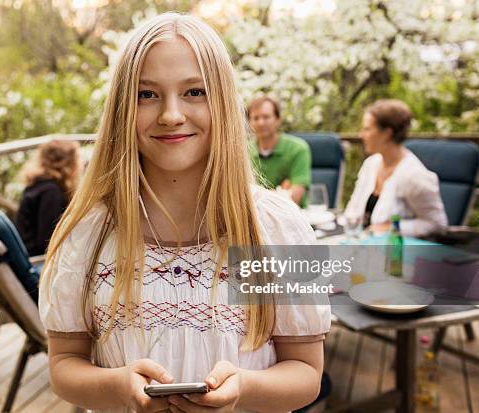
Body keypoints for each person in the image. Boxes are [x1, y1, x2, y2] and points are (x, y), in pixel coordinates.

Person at [39, 12, 330, 413]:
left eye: (195, 92)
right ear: (122, 108)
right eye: (147, 94)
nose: (171, 114)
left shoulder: (276, 227)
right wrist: (115, 385)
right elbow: (63, 365)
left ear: (223, 103)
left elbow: (307, 372)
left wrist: (243, 388)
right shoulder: (89, 231)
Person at [344, 99, 447, 237]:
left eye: (367, 129)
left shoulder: (413, 175)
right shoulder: (371, 164)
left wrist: (392, 227)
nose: (361, 135)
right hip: (361, 247)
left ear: (387, 133)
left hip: (395, 254)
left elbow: (437, 225)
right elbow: (353, 210)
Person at [15, 139, 83, 256]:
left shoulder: (38, 185)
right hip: (38, 262)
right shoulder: (51, 192)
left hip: (27, 257)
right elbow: (47, 241)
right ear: (70, 163)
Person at [247, 97, 311, 206]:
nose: (261, 123)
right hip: (254, 219)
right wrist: (281, 193)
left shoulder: (298, 149)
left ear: (278, 119)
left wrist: (257, 196)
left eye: (266, 117)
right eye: (256, 118)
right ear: (249, 122)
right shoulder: (243, 151)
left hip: (293, 218)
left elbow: (295, 198)